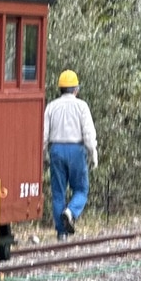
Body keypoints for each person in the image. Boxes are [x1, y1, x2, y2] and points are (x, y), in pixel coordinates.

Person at [43, 69, 98, 240]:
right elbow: (88, 133)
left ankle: (61, 233)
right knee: (81, 189)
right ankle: (71, 211)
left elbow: (43, 135)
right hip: (76, 150)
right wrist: (92, 152)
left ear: (60, 89)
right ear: (76, 89)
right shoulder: (82, 106)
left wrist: (44, 155)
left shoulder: (51, 106)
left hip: (56, 150)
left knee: (58, 192)